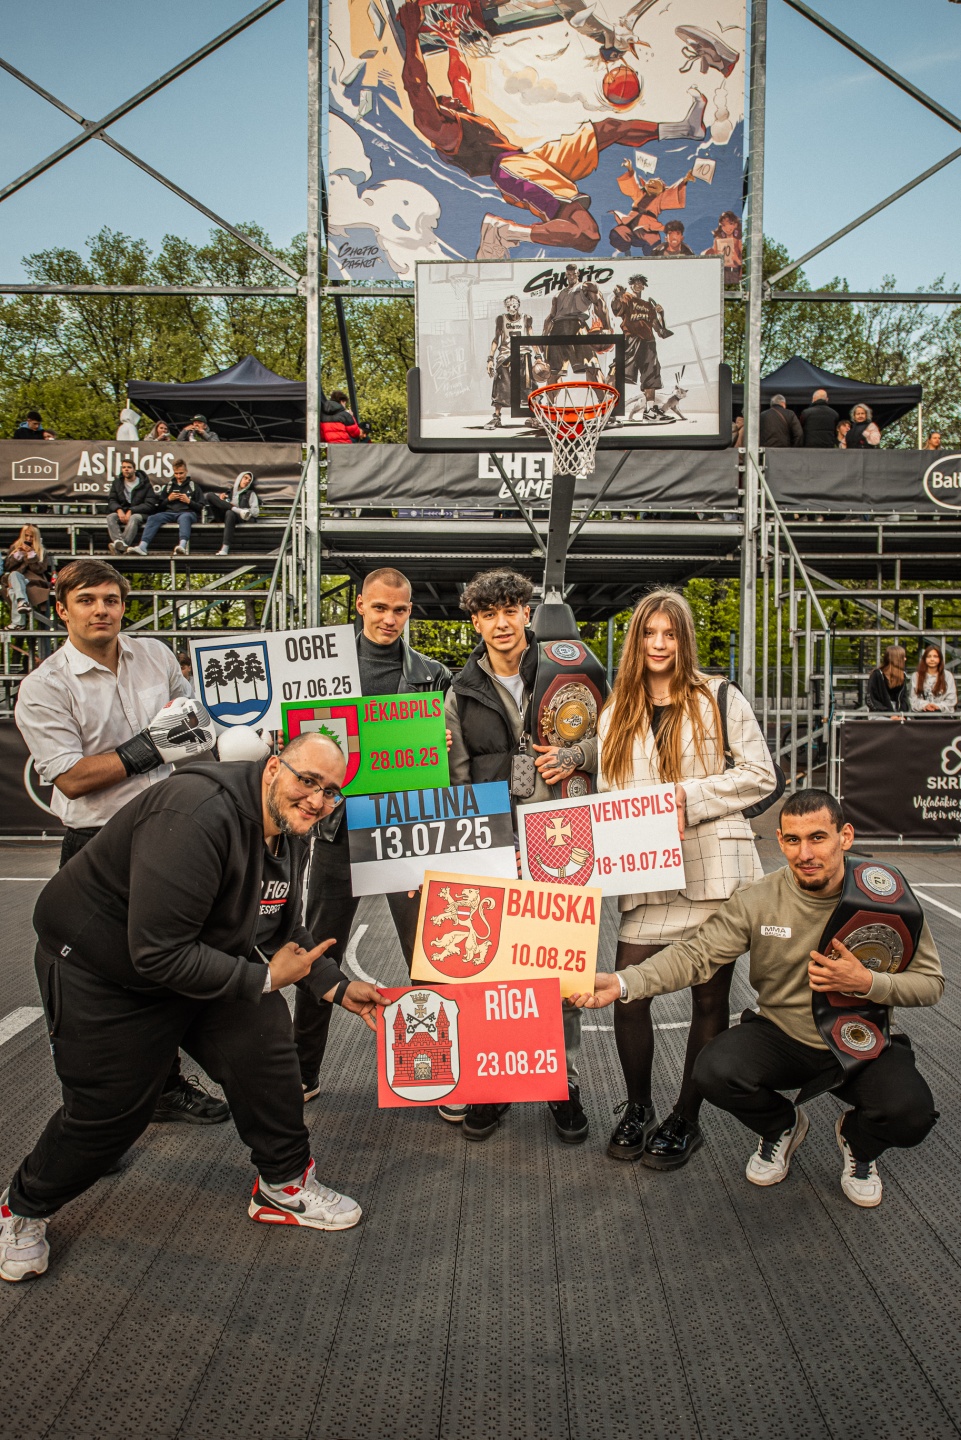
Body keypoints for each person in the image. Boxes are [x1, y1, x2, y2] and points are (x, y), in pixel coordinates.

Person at [0, 731, 390, 1282]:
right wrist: (262, 978)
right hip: (103, 971)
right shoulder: (196, 813)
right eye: (308, 781)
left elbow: (281, 926)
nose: (317, 799)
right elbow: (156, 953)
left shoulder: (288, 826)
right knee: (109, 1116)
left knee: (266, 1049)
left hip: (199, 956)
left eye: (330, 791)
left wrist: (337, 986)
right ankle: (22, 1207)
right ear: (273, 768)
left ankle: (283, 1185)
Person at [572, 789, 942, 1208]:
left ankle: (858, 1142)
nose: (805, 853)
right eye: (793, 840)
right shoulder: (759, 899)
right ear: (780, 840)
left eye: (818, 838)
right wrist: (623, 982)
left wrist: (868, 982)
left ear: (846, 836)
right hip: (782, 1035)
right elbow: (697, 955)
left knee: (911, 1115)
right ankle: (782, 1125)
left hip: (858, 1039)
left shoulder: (884, 896)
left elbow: (931, 983)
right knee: (712, 1070)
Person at [14, 555, 229, 1123]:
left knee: (164, 962)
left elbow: (199, 728)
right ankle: (92, 1111)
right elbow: (72, 778)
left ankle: (164, 1087)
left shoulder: (154, 654)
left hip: (168, 835)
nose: (101, 610)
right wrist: (152, 745)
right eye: (86, 600)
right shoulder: (44, 686)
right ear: (63, 610)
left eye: (110, 599)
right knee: (95, 977)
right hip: (96, 843)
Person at [597, 588, 776, 1170]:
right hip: (648, 874)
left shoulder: (718, 696)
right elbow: (608, 795)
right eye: (649, 633)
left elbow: (761, 775)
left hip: (714, 871)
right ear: (636, 640)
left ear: (684, 639)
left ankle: (685, 1118)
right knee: (628, 993)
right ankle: (638, 1107)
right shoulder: (614, 711)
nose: (659, 644)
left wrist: (687, 797)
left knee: (710, 999)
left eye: (669, 634)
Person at [446, 567, 599, 1144]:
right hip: (496, 846)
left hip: (564, 839)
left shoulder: (570, 668)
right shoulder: (459, 690)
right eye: (488, 614)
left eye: (511, 610)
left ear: (527, 614)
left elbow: (614, 734)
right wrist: (474, 854)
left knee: (561, 970)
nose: (502, 623)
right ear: (476, 622)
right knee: (495, 975)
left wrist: (579, 753)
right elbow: (458, 780)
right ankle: (497, 1081)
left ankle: (564, 1081)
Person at [294, 568, 452, 1102]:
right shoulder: (322, 672)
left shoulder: (433, 675)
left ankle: (440, 1071)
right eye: (380, 607)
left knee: (427, 958)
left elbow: (450, 751)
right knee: (318, 951)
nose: (389, 619)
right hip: (338, 830)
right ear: (360, 604)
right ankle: (303, 1070)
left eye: (400, 610)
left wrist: (444, 741)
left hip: (403, 831)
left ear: (410, 612)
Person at [397, 0, 707, 258]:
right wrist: (412, 32)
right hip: (512, 170)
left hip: (531, 158)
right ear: (438, 107)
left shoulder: (461, 114)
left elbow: (460, 79)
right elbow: (416, 85)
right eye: (445, 99)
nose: (453, 97)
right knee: (587, 234)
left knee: (609, 129)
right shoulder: (439, 128)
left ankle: (685, 128)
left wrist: (452, 38)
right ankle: (503, 232)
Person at [612, 273, 671, 422]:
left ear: (644, 286)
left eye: (640, 283)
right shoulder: (626, 297)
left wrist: (661, 314)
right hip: (631, 339)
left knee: (651, 377)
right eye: (635, 282)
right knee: (617, 372)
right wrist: (617, 296)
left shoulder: (649, 305)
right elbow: (616, 309)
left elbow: (661, 332)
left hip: (649, 343)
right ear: (631, 285)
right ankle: (609, 409)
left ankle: (650, 411)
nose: (638, 285)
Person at [610, 163, 694, 255]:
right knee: (617, 234)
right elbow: (631, 187)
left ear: (662, 189)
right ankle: (626, 250)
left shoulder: (660, 199)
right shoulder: (640, 194)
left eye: (657, 183)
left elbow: (672, 193)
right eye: (650, 182)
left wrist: (685, 180)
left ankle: (650, 259)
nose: (652, 183)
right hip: (630, 224)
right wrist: (630, 169)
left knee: (654, 244)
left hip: (647, 228)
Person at [130, 459, 204, 557]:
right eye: (176, 473)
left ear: (186, 471)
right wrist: (168, 499)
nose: (179, 476)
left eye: (181, 473)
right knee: (153, 517)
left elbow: (200, 507)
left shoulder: (194, 486)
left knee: (184, 518)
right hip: (169, 513)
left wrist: (189, 501)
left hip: (187, 513)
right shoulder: (169, 486)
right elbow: (159, 507)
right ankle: (143, 546)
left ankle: (182, 546)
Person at [485, 295, 535, 429]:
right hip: (506, 355)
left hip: (523, 354)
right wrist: (490, 359)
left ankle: (533, 417)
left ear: (518, 305)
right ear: (505, 307)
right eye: (508, 306)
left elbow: (532, 337)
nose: (511, 308)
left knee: (529, 386)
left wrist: (538, 356)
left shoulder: (526, 318)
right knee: (500, 385)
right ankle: (496, 417)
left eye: (514, 305)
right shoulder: (501, 319)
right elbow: (496, 339)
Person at [3, 525, 52, 630]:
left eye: (31, 536)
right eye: (26, 536)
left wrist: (30, 555)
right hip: (16, 579)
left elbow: (40, 569)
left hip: (33, 580)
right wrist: (18, 554)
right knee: (14, 576)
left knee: (13, 590)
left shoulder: (41, 550)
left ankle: (18, 623)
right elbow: (7, 566)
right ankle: (22, 602)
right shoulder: (14, 547)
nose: (29, 539)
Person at [106, 458, 157, 554]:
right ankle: (119, 542)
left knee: (134, 517)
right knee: (111, 517)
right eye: (124, 467)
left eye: (129, 467)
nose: (126, 469)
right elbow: (112, 500)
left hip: (141, 513)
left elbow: (150, 504)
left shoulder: (145, 484)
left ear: (134, 470)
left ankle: (120, 547)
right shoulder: (117, 483)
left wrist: (132, 510)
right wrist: (118, 509)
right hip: (123, 512)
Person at [205, 471, 260, 556]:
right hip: (223, 517)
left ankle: (225, 548)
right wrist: (222, 500)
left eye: (249, 480)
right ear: (239, 478)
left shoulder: (250, 494)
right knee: (209, 495)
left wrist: (243, 510)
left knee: (230, 512)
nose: (247, 481)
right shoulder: (228, 493)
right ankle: (234, 509)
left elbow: (256, 512)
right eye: (245, 478)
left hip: (239, 518)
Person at [910, 644, 957, 713]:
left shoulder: (948, 675)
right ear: (924, 659)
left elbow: (951, 699)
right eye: (929, 656)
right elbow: (913, 699)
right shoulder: (916, 676)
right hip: (923, 713)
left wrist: (937, 706)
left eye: (935, 656)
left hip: (942, 713)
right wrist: (926, 705)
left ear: (940, 658)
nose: (932, 659)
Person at [701, 212, 742, 286]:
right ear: (721, 226)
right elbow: (714, 257)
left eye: (731, 224)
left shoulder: (738, 241)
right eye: (724, 225)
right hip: (721, 272)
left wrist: (736, 259)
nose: (727, 228)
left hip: (734, 272)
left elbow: (742, 262)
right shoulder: (718, 240)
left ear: (735, 225)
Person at [866, 644, 909, 713]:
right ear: (896, 659)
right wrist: (889, 714)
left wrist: (901, 714)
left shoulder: (902, 675)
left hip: (898, 713)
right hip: (879, 713)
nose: (905, 659)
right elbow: (871, 699)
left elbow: (904, 699)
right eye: (903, 657)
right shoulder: (877, 674)